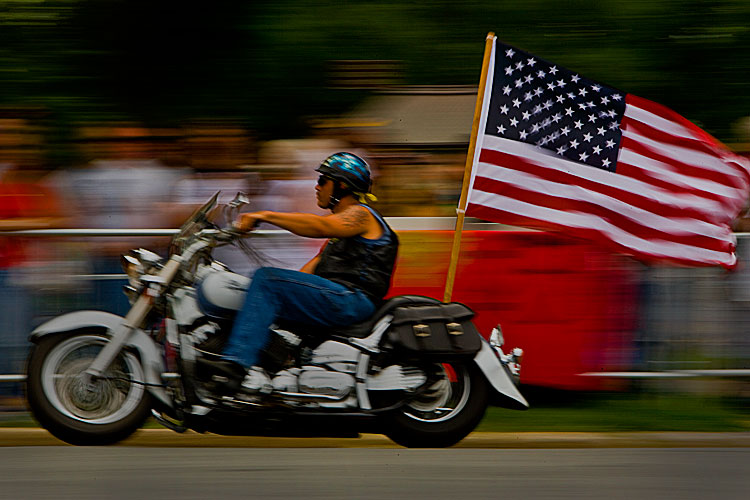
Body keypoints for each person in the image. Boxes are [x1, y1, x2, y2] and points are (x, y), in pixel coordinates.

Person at [204, 152, 399, 393]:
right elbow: (312, 270)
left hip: (352, 299)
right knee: (262, 288)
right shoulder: (341, 233)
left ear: (342, 185)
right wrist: (279, 290)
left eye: (322, 181)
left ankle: (235, 367)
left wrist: (264, 215)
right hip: (338, 296)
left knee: (267, 279)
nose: (316, 187)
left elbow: (319, 226)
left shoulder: (362, 214)